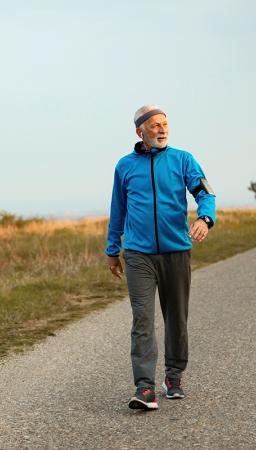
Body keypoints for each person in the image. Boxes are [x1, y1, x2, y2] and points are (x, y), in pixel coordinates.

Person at [105, 105, 216, 411]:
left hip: (176, 251)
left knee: (176, 318)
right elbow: (118, 209)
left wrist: (204, 219)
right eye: (154, 125)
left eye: (165, 124)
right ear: (140, 131)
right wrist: (112, 249)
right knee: (142, 319)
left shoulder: (183, 160)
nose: (162, 129)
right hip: (139, 254)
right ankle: (145, 388)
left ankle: (174, 376)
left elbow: (205, 193)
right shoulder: (125, 166)